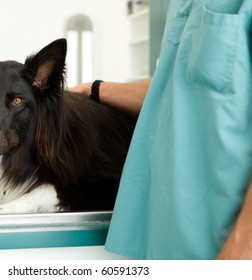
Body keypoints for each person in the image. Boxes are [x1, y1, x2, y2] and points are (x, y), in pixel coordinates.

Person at [70, 0, 252, 259]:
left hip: (225, 246)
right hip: (168, 237)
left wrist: (239, 252)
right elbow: (176, 88)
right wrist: (95, 89)